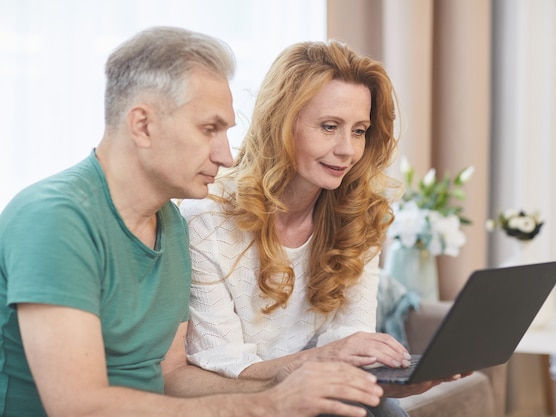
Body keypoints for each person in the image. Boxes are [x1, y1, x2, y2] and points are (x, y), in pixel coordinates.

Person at [0, 26, 389, 417]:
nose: (226, 156)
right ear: (143, 125)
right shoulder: (54, 218)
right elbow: (78, 407)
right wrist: (268, 405)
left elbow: (171, 375)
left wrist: (288, 379)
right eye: (209, 129)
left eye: (225, 132)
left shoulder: (169, 223)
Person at [179, 40, 461, 417]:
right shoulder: (206, 221)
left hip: (321, 396)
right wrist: (320, 361)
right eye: (330, 127)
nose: (347, 150)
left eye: (359, 131)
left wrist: (392, 376)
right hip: (242, 402)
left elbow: (349, 337)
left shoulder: (360, 216)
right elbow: (222, 365)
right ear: (281, 123)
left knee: (379, 405)